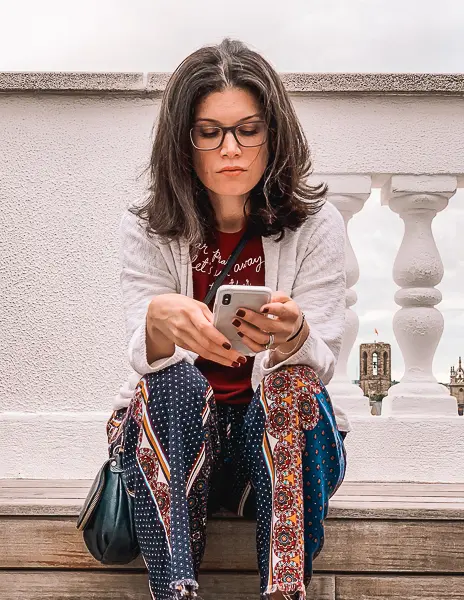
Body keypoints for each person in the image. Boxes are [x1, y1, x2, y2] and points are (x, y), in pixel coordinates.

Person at [106, 37, 351, 600]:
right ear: (185, 141)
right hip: (178, 446)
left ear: (273, 132)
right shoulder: (147, 228)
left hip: (280, 446)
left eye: (248, 129)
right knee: (174, 383)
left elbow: (324, 363)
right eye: (209, 131)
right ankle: (176, 590)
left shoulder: (315, 226)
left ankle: (284, 588)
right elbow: (140, 360)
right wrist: (156, 323)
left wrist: (295, 335)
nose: (230, 148)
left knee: (288, 388)